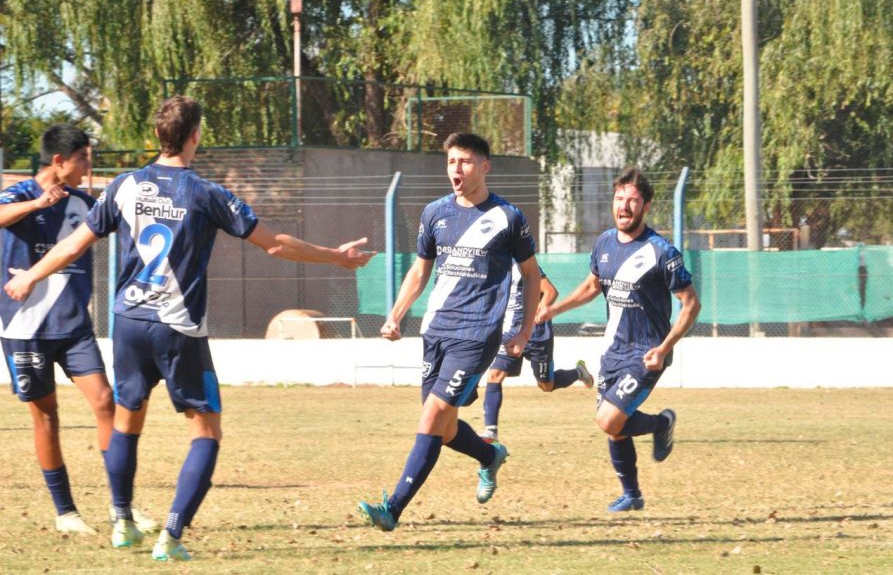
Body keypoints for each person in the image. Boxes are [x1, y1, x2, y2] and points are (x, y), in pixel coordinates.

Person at [4, 96, 375, 560]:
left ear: (158, 136)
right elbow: (275, 245)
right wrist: (335, 257)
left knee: (126, 418)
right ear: (195, 135)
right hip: (177, 328)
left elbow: (75, 246)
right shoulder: (204, 192)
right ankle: (172, 536)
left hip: (129, 323)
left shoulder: (123, 186)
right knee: (206, 431)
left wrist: (31, 276)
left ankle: (121, 519)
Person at [358, 132, 540, 531]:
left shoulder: (509, 218)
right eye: (451, 162)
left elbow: (531, 277)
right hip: (436, 330)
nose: (456, 170)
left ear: (485, 167)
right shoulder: (435, 213)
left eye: (465, 162)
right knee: (444, 428)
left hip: (477, 335)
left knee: (433, 416)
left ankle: (393, 509)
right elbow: (421, 270)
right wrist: (395, 315)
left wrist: (523, 332)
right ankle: (489, 457)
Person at [537, 167, 700, 512]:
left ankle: (661, 423)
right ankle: (632, 495)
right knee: (616, 427)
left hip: (647, 353)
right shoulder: (605, 243)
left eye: (632, 201)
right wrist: (554, 310)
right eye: (619, 199)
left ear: (646, 206)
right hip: (613, 351)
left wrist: (665, 348)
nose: (624, 207)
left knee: (609, 418)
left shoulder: (662, 252)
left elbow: (691, 303)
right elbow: (592, 286)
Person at [0, 124, 116, 534]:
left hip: (73, 327)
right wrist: (36, 206)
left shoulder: (85, 203)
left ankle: (121, 506)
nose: (88, 166)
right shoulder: (16, 195)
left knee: (105, 402)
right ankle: (66, 512)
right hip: (26, 328)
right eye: (83, 158)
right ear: (58, 161)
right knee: (46, 416)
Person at [479, 265, 594, 442]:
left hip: (536, 335)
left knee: (546, 385)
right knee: (495, 375)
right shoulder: (494, 266)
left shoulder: (522, 264)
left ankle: (579, 372)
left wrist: (538, 312)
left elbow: (551, 292)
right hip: (511, 334)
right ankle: (491, 431)